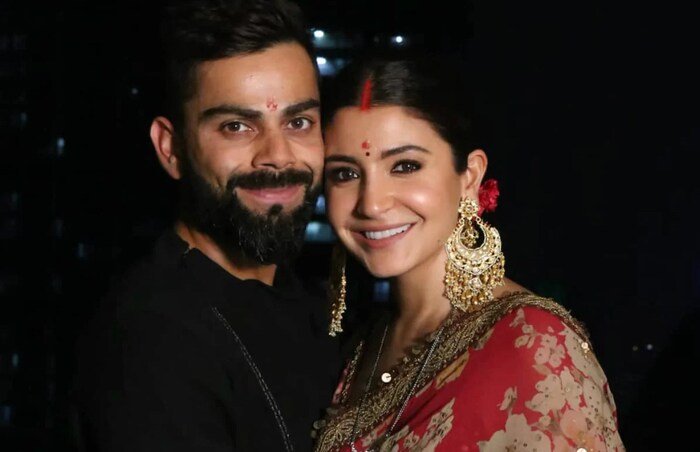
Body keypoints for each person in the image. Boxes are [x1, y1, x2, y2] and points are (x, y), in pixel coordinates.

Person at [311, 55, 626, 451]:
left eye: (405, 166)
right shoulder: (365, 342)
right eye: (345, 173)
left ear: (470, 176)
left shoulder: (533, 345)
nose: (371, 203)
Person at [72, 0, 340, 451]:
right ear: (171, 148)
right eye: (237, 126)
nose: (278, 156)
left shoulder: (318, 306)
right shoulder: (153, 341)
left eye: (298, 122)